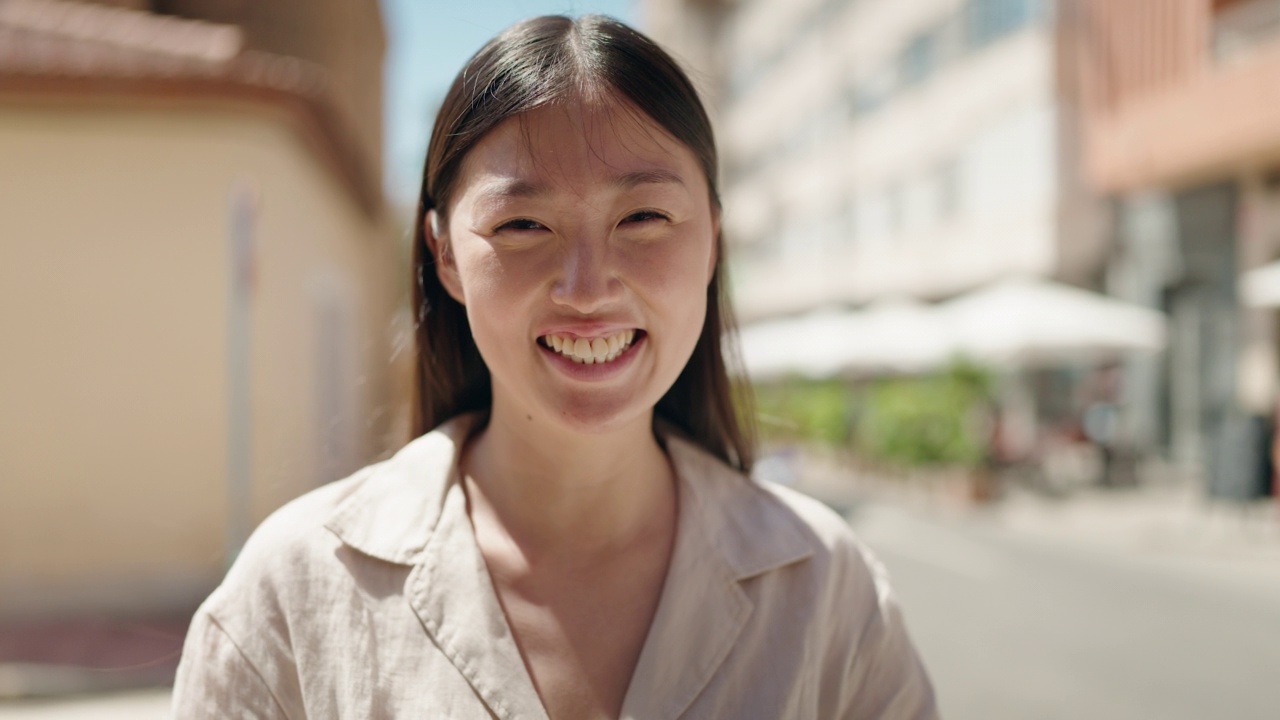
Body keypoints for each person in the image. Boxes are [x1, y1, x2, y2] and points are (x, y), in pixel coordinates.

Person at [171, 15, 937, 719]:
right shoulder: (293, 595)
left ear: (713, 240)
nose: (588, 288)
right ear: (444, 255)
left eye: (643, 217)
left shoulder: (828, 591)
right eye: (523, 224)